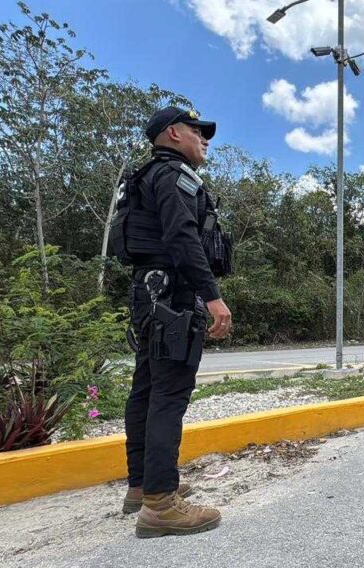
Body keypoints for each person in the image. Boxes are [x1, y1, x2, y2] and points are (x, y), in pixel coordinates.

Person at [116, 106, 233, 538]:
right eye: (197, 131)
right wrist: (212, 296)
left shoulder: (146, 175)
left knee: (147, 389)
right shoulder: (173, 175)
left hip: (149, 291)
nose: (205, 139)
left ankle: (142, 485)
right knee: (169, 393)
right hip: (173, 295)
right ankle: (161, 504)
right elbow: (182, 236)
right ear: (173, 133)